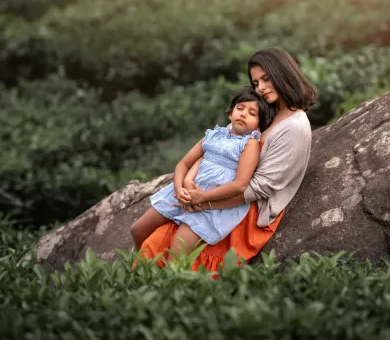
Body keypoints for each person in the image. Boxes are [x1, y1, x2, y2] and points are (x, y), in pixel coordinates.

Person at [133, 47, 317, 271]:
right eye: (256, 82)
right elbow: (219, 147)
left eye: (266, 79)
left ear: (283, 73)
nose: (260, 88)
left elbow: (259, 188)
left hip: (244, 206)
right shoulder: (262, 107)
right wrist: (191, 179)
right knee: (150, 237)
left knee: (166, 245)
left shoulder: (295, 127)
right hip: (210, 191)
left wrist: (205, 202)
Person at [130, 86, 275, 261]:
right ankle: (139, 268)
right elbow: (183, 164)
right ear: (230, 113)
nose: (243, 114)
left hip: (212, 205)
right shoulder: (213, 135)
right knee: (138, 230)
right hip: (185, 193)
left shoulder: (249, 144)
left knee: (177, 252)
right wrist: (178, 188)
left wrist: (203, 197)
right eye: (240, 108)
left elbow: (240, 185)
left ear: (259, 126)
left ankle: (169, 285)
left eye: (252, 113)